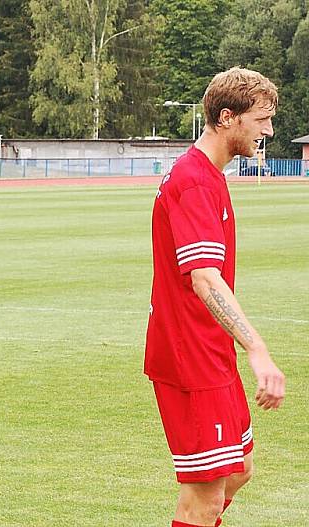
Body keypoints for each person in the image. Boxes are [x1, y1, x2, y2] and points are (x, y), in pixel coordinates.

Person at [145, 67, 286, 527]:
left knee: (238, 470)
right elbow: (204, 279)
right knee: (203, 498)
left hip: (210, 352)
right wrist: (257, 348)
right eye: (261, 120)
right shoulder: (195, 182)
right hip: (191, 358)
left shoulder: (207, 174)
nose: (268, 130)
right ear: (227, 117)